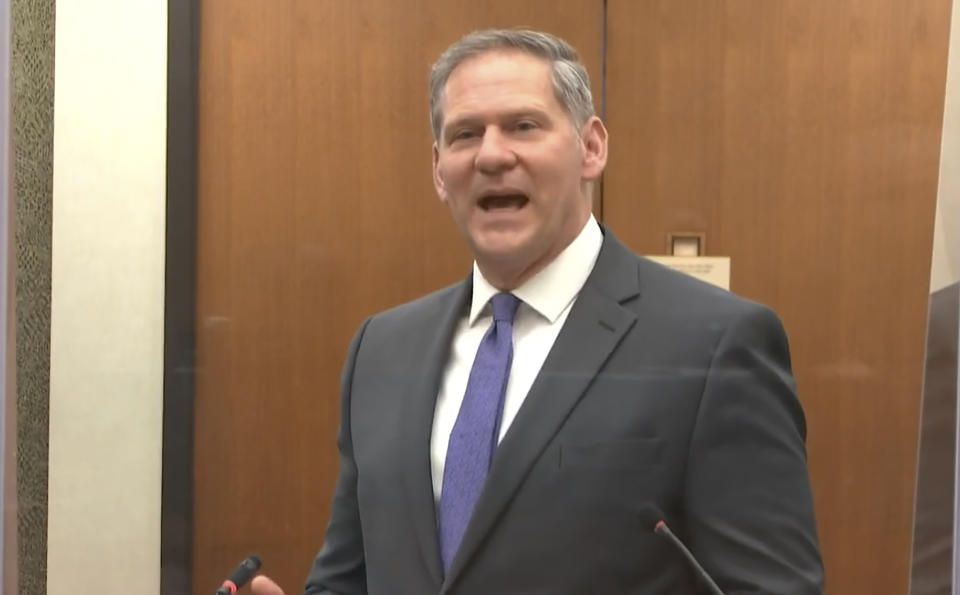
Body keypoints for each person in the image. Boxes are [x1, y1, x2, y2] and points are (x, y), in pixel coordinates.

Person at [252, 28, 824, 595]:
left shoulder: (716, 343)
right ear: (438, 170)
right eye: (465, 134)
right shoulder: (381, 348)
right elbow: (347, 577)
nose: (493, 155)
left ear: (591, 148)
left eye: (523, 126)